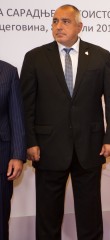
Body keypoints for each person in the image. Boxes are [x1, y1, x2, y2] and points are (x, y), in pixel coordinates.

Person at [20, 5, 110, 240]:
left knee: (90, 219)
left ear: (79, 26)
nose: (58, 26)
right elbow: (26, 106)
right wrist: (30, 141)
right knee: (48, 219)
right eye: (55, 21)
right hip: (47, 149)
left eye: (65, 21)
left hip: (90, 146)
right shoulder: (35, 57)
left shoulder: (100, 55)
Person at [0, 60, 26, 240]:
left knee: (1, 213)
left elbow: (16, 114)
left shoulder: (8, 71)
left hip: (2, 154)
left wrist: (17, 155)